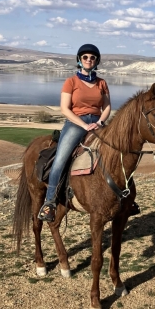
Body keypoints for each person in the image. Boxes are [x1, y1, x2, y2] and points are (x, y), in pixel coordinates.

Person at [38, 43, 111, 222]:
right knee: (61, 159)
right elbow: (65, 109)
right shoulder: (71, 82)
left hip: (98, 122)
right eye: (85, 57)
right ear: (79, 60)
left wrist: (100, 121)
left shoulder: (101, 83)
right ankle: (50, 202)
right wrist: (84, 125)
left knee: (118, 152)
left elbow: (107, 106)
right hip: (76, 122)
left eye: (92, 57)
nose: (88, 60)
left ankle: (125, 197)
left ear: (96, 61)